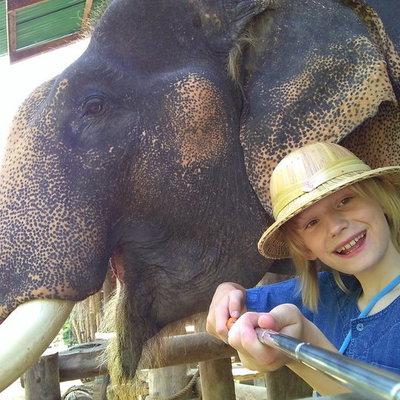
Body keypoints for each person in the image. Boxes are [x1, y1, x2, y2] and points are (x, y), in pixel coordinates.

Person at [206, 142, 400, 396]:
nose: (335, 227)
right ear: (305, 249)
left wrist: (300, 351)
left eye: (345, 200)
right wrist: (226, 292)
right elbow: (231, 310)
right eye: (312, 223)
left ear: (380, 199)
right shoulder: (326, 292)